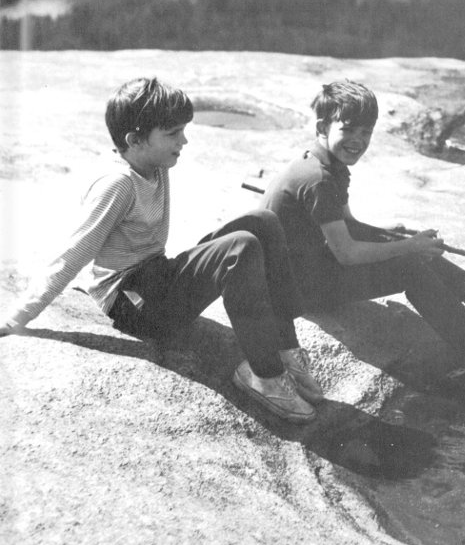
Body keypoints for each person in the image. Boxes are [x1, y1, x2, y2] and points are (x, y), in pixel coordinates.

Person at [0, 76, 322, 425]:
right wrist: (18, 317)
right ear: (134, 140)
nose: (184, 141)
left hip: (156, 276)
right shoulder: (118, 185)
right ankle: (265, 375)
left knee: (263, 222)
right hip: (135, 304)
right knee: (240, 249)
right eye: (173, 133)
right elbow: (73, 252)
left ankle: (285, 348)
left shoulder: (153, 164)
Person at [263, 79, 465, 381]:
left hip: (308, 268)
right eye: (348, 130)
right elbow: (347, 254)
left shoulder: (330, 166)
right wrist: (410, 247)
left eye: (365, 132)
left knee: (395, 240)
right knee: (408, 265)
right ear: (322, 128)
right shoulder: (318, 180)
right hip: (297, 291)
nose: (357, 141)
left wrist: (397, 234)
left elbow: (349, 226)